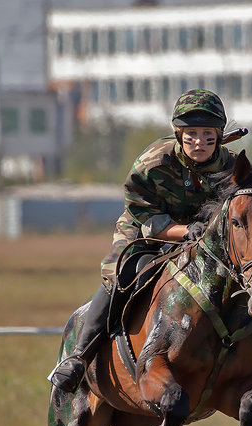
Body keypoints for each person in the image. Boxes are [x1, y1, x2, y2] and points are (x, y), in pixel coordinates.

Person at [51, 89, 242, 393]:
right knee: (123, 273)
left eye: (208, 134)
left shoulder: (232, 167)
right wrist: (184, 231)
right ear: (179, 134)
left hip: (203, 237)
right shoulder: (152, 162)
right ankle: (79, 357)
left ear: (219, 136)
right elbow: (147, 217)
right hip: (145, 229)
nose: (199, 141)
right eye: (191, 133)